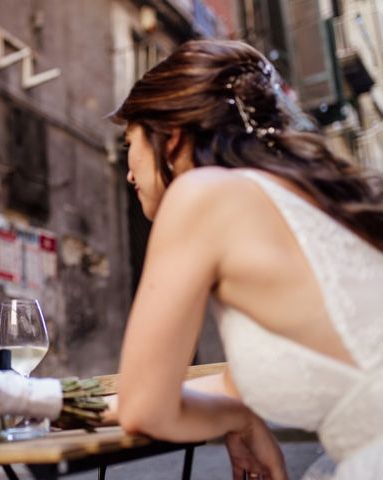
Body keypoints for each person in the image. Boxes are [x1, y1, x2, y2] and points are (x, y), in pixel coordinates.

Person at [113, 40, 383, 479]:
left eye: (130, 142)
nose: (128, 171)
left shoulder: (202, 195)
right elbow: (229, 387)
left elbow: (144, 406)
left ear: (171, 137)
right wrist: (42, 402)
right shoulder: (309, 201)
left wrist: (233, 417)